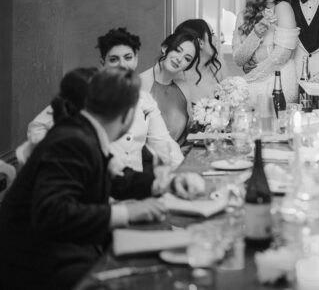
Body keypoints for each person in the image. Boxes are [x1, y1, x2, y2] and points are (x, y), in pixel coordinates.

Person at [0, 68, 205, 290]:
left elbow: (117, 180)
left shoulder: (85, 131)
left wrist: (167, 183)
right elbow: (52, 212)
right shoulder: (72, 141)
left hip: (61, 248)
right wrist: (128, 212)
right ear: (127, 114)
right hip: (38, 263)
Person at [18, 28, 184, 170]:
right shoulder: (84, 91)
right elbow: (37, 128)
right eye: (113, 59)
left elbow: (163, 143)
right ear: (103, 63)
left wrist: (185, 171)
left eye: (128, 57)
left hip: (133, 185)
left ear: (136, 58)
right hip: (92, 185)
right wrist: (67, 161)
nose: (122, 65)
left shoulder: (145, 100)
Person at [233, 0, 300, 102]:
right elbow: (238, 60)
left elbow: (282, 54)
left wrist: (249, 78)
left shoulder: (283, 7)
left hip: (280, 83)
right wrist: (255, 34)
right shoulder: (243, 15)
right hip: (255, 84)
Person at [140, 30, 200, 143]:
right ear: (165, 48)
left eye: (187, 59)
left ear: (188, 66)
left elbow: (189, 132)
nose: (179, 59)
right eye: (177, 50)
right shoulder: (141, 83)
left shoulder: (183, 88)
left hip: (179, 153)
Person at [174, 18, 227, 101]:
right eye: (212, 34)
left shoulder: (218, 68)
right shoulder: (179, 79)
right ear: (200, 43)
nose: (217, 39)